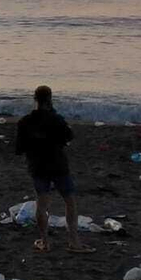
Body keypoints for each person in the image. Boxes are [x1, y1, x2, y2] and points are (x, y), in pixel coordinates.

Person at [14, 85, 84, 253]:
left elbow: (18, 149)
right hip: (58, 164)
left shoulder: (25, 122)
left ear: (35, 99)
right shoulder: (56, 119)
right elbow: (69, 137)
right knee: (70, 201)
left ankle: (45, 241)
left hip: (37, 166)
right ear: (50, 99)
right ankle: (74, 241)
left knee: (42, 204)